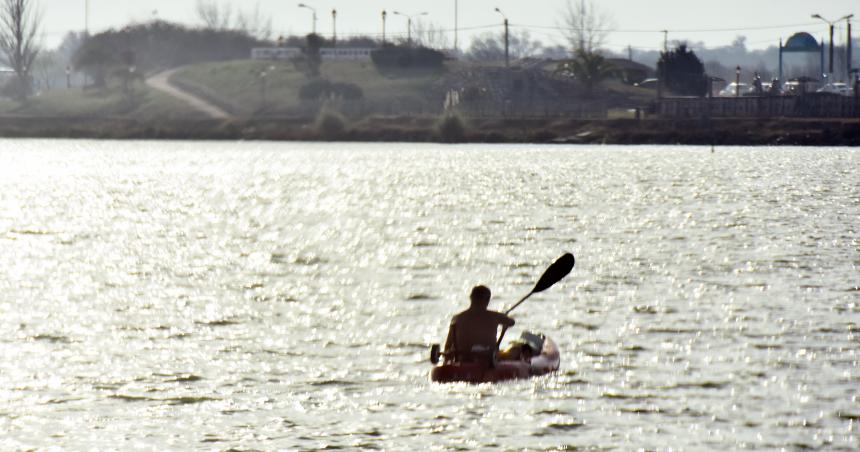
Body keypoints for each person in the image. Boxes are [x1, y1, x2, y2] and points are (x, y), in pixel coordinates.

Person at [443, 285, 515, 363]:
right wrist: (504, 317)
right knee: (515, 350)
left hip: (462, 358)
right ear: (487, 300)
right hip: (486, 359)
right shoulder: (495, 316)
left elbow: (448, 345)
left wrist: (447, 361)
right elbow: (511, 322)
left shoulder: (457, 318)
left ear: (471, 298)